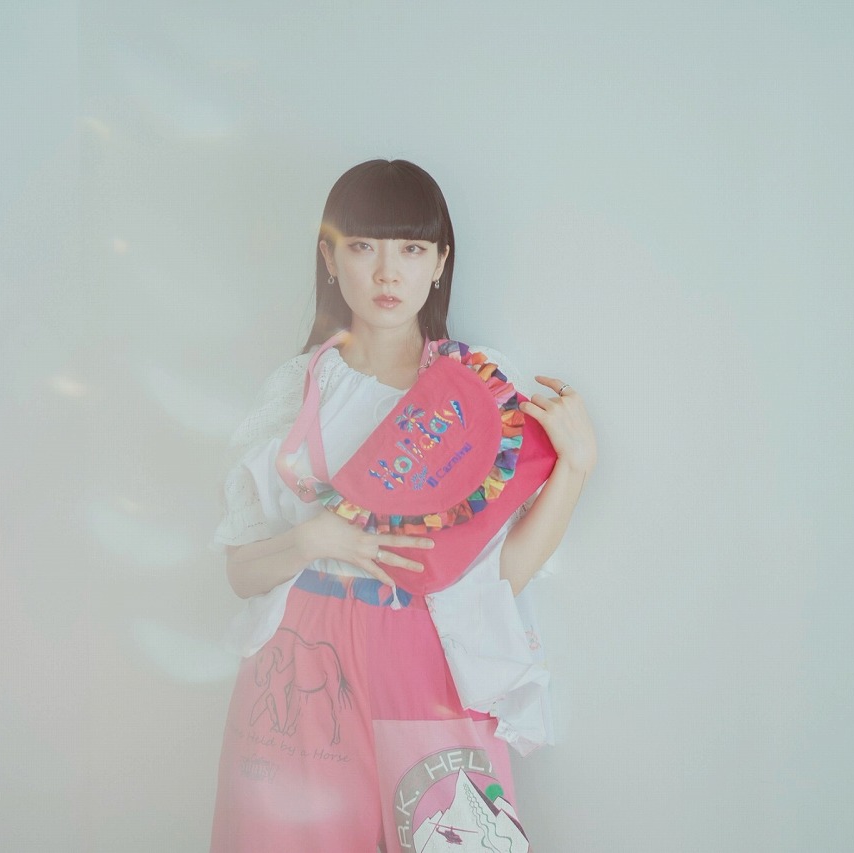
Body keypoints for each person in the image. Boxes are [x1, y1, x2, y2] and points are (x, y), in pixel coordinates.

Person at [210, 159, 596, 852]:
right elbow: (240, 572)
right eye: (363, 246)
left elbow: (501, 576)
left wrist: (576, 467)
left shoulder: (478, 388)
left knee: (448, 831)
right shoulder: (295, 390)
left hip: (426, 665)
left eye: (412, 249)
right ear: (330, 258)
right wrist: (312, 540)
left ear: (441, 262)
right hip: (302, 671)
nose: (388, 273)